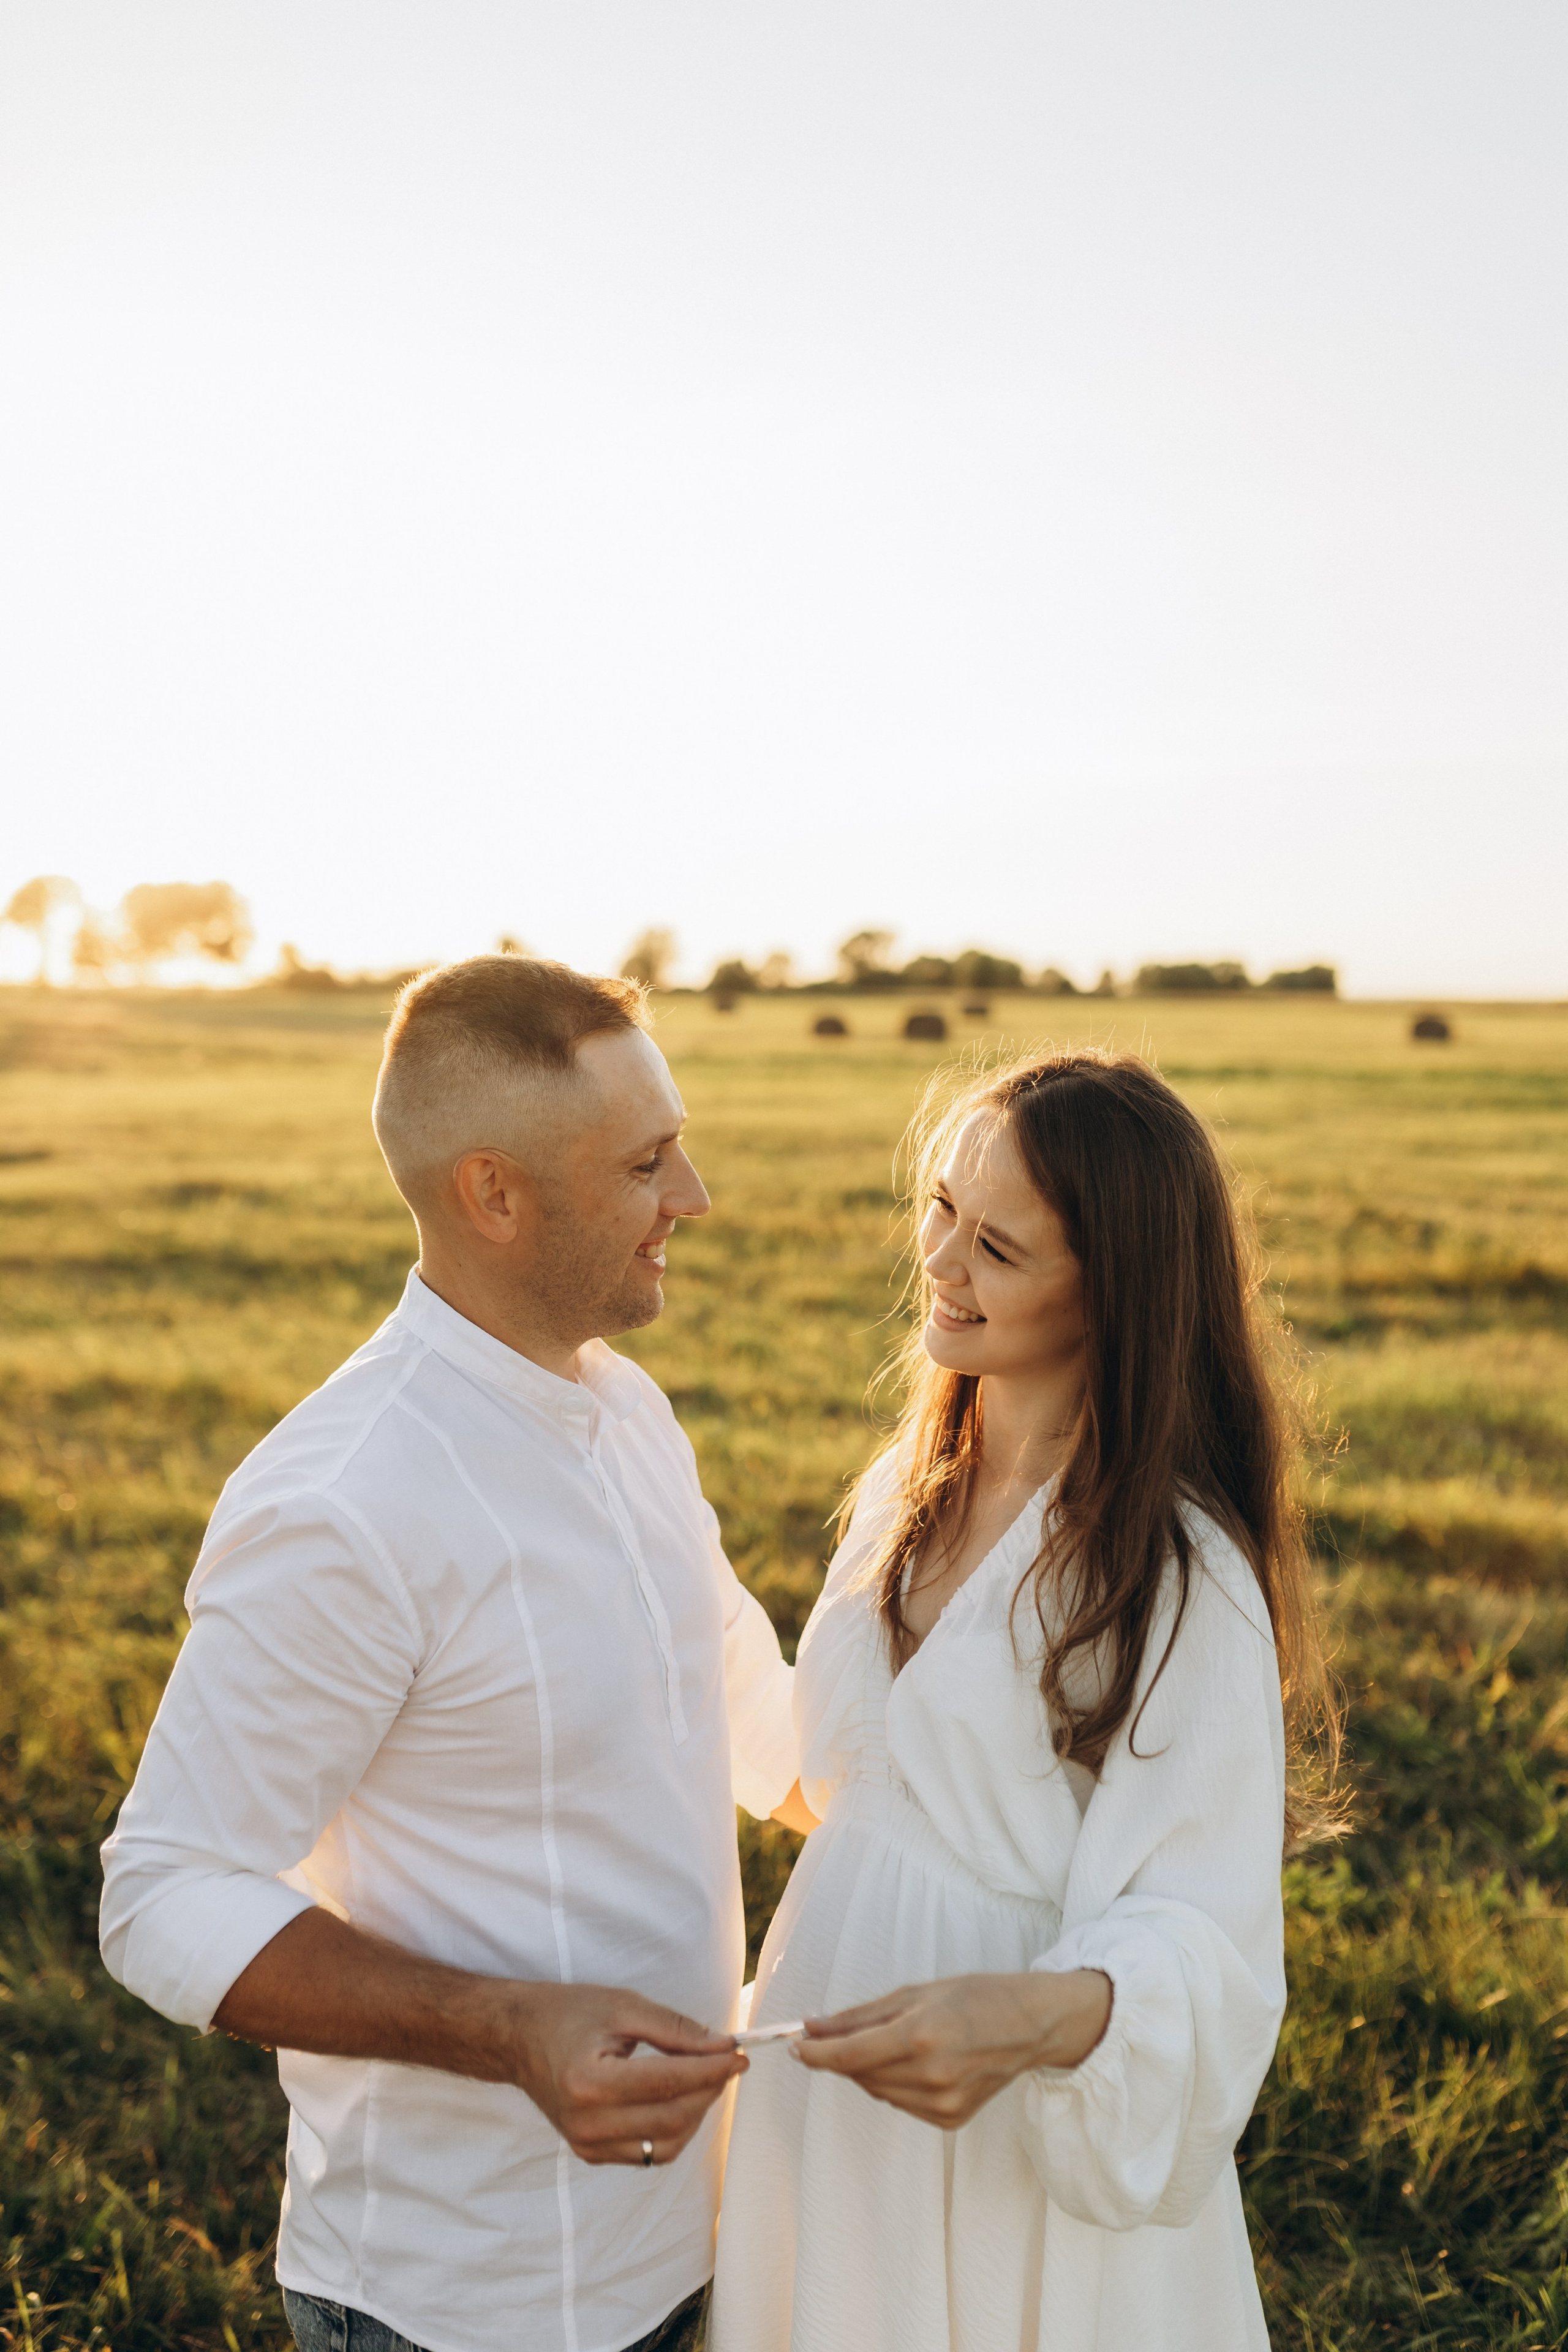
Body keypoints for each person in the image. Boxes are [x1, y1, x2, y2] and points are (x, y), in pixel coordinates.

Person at [100, 955, 810, 2352]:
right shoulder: (345, 1502)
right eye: (646, 1163)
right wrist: (511, 2030)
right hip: (461, 2303)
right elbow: (163, 1892)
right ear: (495, 1193)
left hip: (692, 2236)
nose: (694, 1199)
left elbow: (748, 1714)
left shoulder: (627, 1408)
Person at [711, 1050, 1338, 2352]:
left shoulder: (1174, 1572)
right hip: (832, 2083)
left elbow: (1205, 1943)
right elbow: (831, 1779)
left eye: (995, 1248)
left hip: (1009, 2136)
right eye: (939, 1209)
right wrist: (656, 1554)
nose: (939, 1263)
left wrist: (1024, 2019)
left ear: (1111, 1294)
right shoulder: (906, 1485)